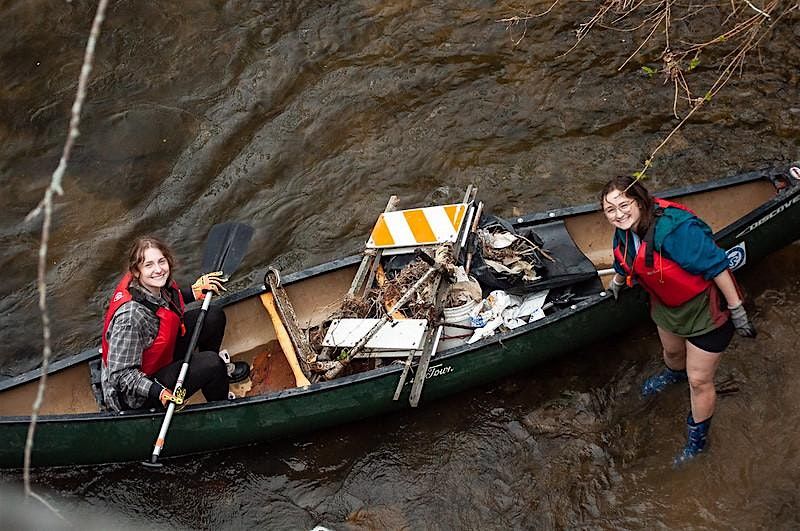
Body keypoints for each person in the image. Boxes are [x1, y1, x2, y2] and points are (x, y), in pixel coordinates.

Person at [601, 176, 756, 466]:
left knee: (699, 380)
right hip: (667, 303)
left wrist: (737, 309)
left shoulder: (675, 231)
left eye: (624, 205)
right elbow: (623, 260)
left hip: (705, 309)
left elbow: (718, 266)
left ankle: (697, 440)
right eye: (610, 209)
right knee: (672, 353)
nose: (619, 214)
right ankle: (674, 375)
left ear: (640, 202)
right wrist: (618, 282)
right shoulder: (623, 231)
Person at [100, 236, 246, 412]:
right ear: (136, 271)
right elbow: (121, 376)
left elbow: (165, 304)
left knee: (213, 316)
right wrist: (159, 392)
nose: (158, 270)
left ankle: (214, 377)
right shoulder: (130, 319)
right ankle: (222, 407)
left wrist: (193, 292)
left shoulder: (153, 285)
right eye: (149, 265)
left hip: (159, 357)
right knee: (212, 363)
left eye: (161, 261)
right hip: (138, 394)